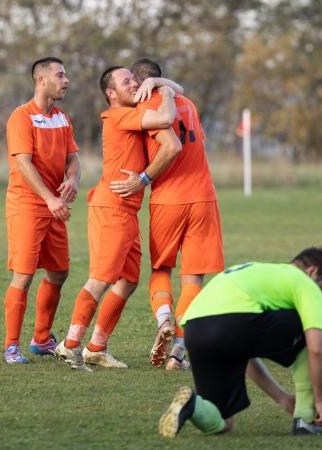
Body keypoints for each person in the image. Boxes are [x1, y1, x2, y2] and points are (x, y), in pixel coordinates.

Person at [54, 66, 182, 371]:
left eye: (135, 79)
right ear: (111, 93)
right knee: (100, 279)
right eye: (126, 81)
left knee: (128, 282)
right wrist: (162, 91)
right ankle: (70, 345)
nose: (134, 84)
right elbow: (166, 118)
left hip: (126, 210)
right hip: (111, 207)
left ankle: (96, 348)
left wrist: (157, 81)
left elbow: (178, 87)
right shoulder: (117, 114)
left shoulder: (131, 110)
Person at [157, 247, 322, 437]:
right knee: (308, 331)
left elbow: (243, 349)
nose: (321, 294)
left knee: (222, 422)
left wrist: (282, 398)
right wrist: (321, 400)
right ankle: (305, 420)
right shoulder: (304, 282)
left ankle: (193, 406)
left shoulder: (257, 272)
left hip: (194, 329)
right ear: (313, 271)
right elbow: (318, 350)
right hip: (234, 323)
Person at [124, 58, 224, 370]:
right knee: (193, 276)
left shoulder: (146, 108)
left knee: (161, 268)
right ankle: (178, 353)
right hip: (203, 197)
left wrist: (142, 179)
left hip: (168, 199)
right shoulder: (188, 104)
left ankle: (164, 318)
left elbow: (165, 147)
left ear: (140, 84)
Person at [2, 56, 80, 364]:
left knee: (59, 272)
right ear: (41, 80)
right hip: (28, 205)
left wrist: (72, 178)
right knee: (23, 275)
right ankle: (11, 346)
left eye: (66, 75)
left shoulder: (62, 117)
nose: (66, 80)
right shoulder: (21, 117)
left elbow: (73, 158)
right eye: (60, 75)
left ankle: (42, 339)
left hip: (54, 206)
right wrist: (49, 198)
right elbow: (23, 163)